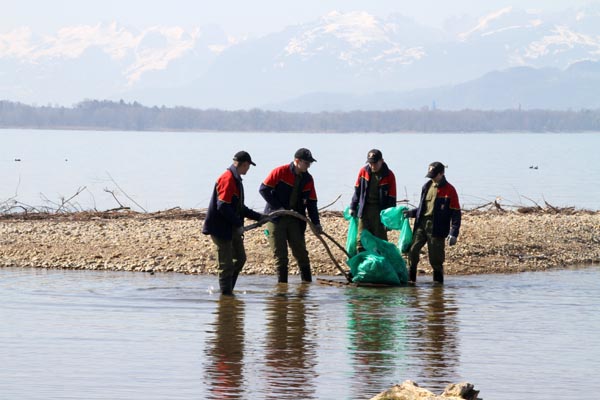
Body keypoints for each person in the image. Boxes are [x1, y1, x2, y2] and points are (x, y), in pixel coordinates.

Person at [202, 151, 264, 295]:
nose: (248, 169)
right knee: (226, 265)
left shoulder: (236, 179)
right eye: (248, 166)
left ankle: (228, 290)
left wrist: (259, 217)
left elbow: (240, 208)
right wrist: (238, 224)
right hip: (220, 229)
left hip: (232, 228)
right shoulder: (228, 178)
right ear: (244, 164)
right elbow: (222, 205)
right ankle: (226, 297)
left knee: (240, 259)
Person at [259, 148, 322, 283]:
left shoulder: (308, 179)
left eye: (310, 163)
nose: (308, 166)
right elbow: (263, 189)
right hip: (275, 218)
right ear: (297, 161)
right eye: (306, 163)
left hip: (296, 220)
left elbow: (312, 203)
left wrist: (316, 223)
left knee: (302, 254)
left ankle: (306, 285)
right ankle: (282, 290)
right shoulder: (280, 172)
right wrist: (278, 207)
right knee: (281, 257)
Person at [404, 161, 461, 284]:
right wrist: (411, 213)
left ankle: (438, 288)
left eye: (434, 175)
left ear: (441, 174)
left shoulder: (450, 190)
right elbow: (422, 208)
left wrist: (454, 232)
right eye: (430, 175)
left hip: (437, 227)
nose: (432, 178)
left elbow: (456, 213)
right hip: (421, 225)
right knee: (412, 251)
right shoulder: (426, 187)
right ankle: (410, 281)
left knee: (436, 259)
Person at [348, 149, 397, 251]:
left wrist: (390, 218)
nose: (372, 166)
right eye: (370, 163)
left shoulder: (389, 175)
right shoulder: (363, 171)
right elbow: (357, 191)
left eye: (375, 163)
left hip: (380, 212)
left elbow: (392, 198)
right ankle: (362, 264)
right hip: (364, 209)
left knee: (380, 241)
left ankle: (381, 264)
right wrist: (352, 206)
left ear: (381, 161)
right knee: (361, 240)